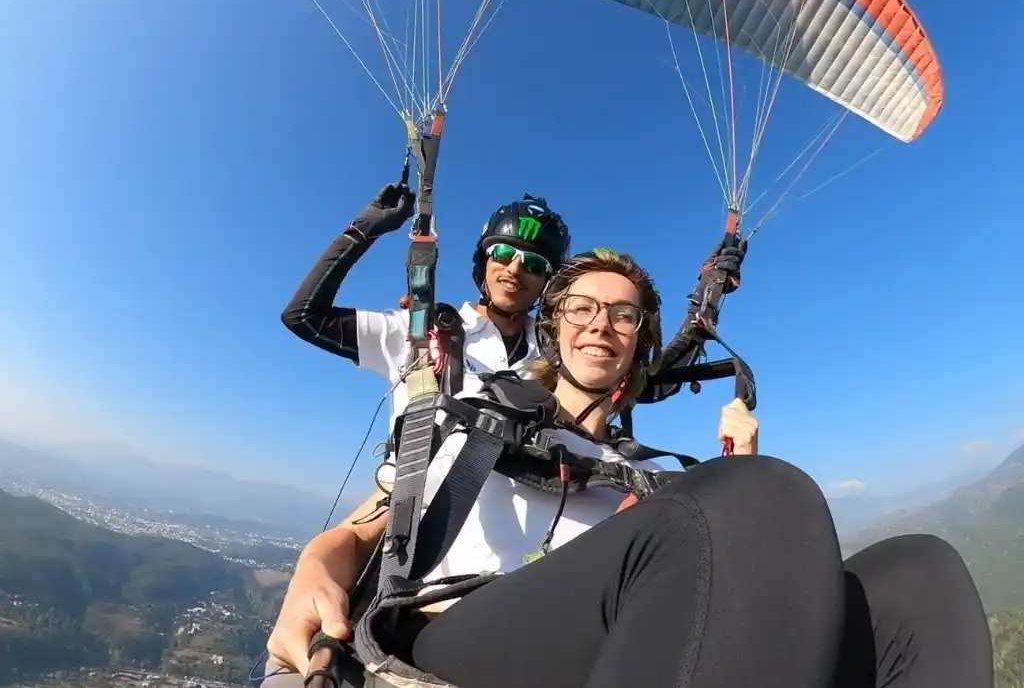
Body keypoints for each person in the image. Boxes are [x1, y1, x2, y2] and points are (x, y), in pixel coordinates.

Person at [264, 248, 994, 688]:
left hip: (596, 649)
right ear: (555, 327)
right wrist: (313, 567)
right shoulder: (473, 411)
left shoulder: (641, 474)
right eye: (581, 306)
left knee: (917, 576)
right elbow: (366, 530)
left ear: (638, 343)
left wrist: (733, 473)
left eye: (622, 315)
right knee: (767, 496)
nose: (599, 323)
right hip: (448, 634)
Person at [281, 184, 572, 430]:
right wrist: (365, 228)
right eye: (504, 253)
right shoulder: (421, 329)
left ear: (548, 282)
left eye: (535, 264)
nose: (515, 269)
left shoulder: (559, 353)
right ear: (484, 262)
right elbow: (304, 316)